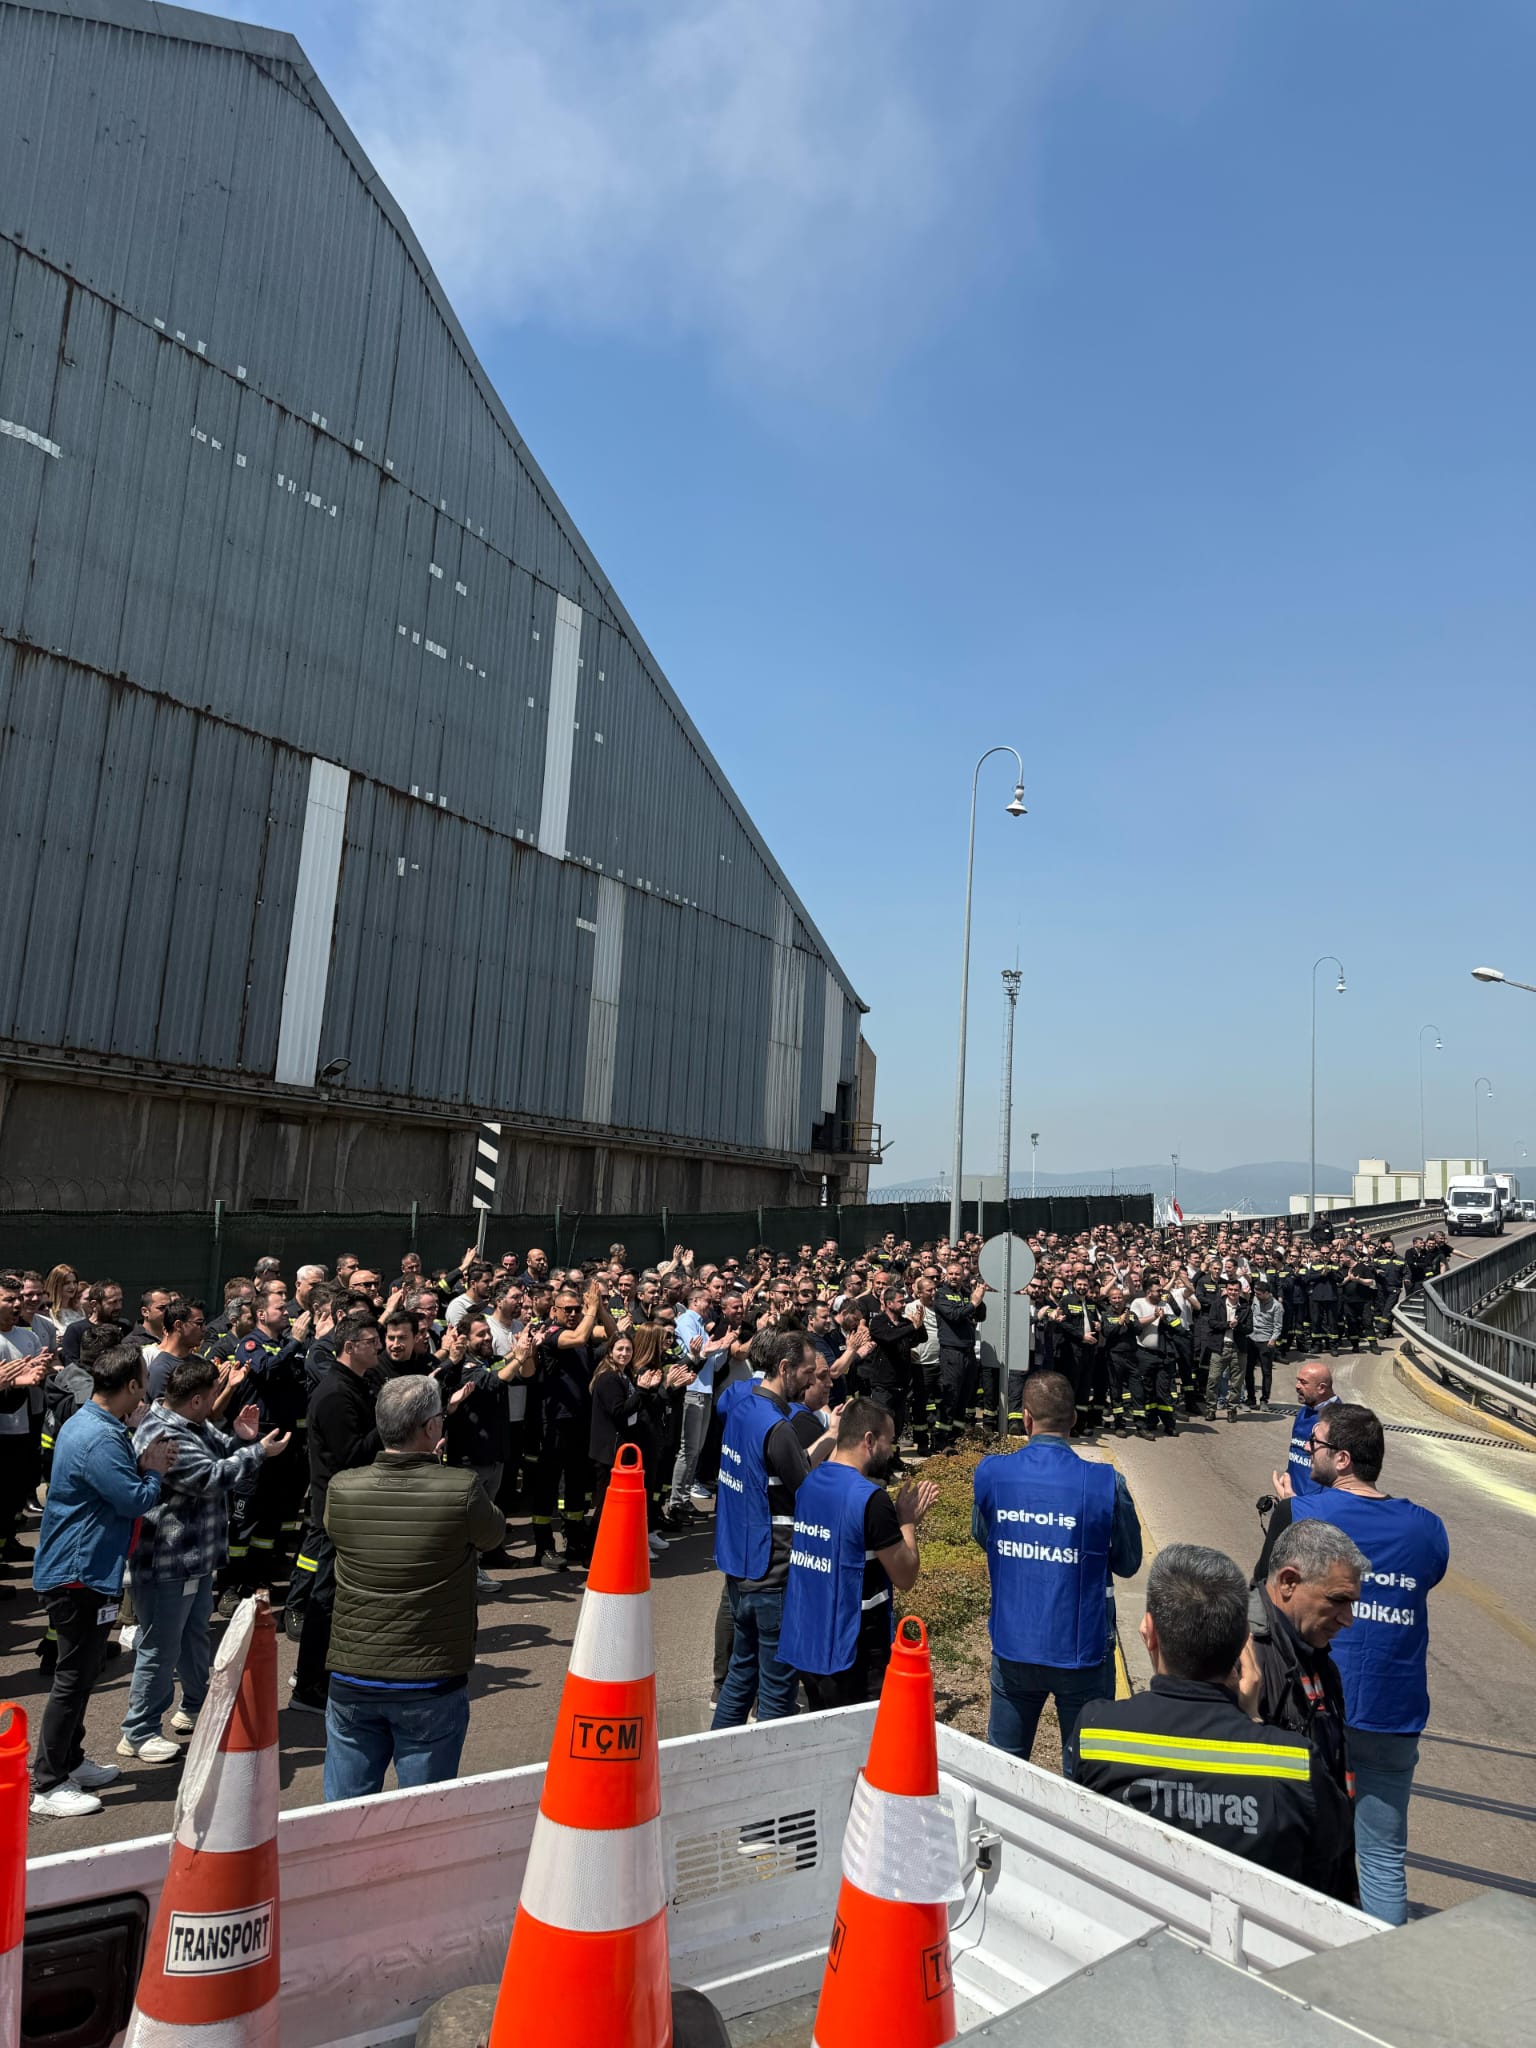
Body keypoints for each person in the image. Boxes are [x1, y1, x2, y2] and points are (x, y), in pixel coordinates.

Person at [1258, 1404, 1449, 1925]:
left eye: (1315, 1445)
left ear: (1341, 1459)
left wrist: (1287, 1513)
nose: (1308, 1452)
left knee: (1299, 1846)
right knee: (1383, 1858)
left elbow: (1271, 1599)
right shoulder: (1426, 1530)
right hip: (1393, 1712)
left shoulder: (1300, 1517)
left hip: (1312, 1708)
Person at [1071, 1544, 1350, 1895]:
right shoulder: (1294, 1764)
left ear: (1149, 1632)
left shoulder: (1097, 1730)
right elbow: (1330, 1852)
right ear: (1241, 1648)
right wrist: (1252, 1720)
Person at [321, 1375, 505, 1801]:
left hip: (353, 1672)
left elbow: (336, 1535)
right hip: (429, 1678)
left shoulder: (343, 1488)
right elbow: (493, 1534)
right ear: (430, 1429)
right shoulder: (460, 1487)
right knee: (421, 1818)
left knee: (343, 1816)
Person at [30, 1344, 178, 1817]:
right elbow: (132, 1499)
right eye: (144, 1381)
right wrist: (153, 1470)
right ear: (133, 1386)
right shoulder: (99, 1436)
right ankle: (48, 1783)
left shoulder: (96, 1426)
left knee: (84, 1671)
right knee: (73, 1678)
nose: (148, 1390)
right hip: (79, 1574)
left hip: (85, 1569)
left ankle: (69, 1762)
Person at [119, 1357, 290, 1762]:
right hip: (168, 1562)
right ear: (197, 1398)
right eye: (216, 1392)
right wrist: (259, 1452)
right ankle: (139, 1730)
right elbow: (210, 1477)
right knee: (159, 1647)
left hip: (194, 1559)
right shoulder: (163, 1435)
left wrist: (239, 1437)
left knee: (194, 1636)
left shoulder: (190, 1424)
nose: (220, 1399)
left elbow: (216, 1452)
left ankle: (196, 1707)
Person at [972, 1371, 1142, 1763]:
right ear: (1075, 1420)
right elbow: (1129, 1562)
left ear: (1026, 1418)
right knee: (1085, 1777)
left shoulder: (992, 1473)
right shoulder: (1105, 1481)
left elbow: (985, 1537)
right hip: (1082, 1649)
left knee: (1005, 1765)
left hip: (1014, 1643)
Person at [712, 1330, 838, 1728]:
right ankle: (767, 1779)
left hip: (739, 1567)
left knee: (738, 1680)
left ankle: (715, 1763)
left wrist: (829, 1436)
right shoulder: (779, 1427)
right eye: (806, 1371)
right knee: (777, 1696)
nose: (810, 1379)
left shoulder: (743, 1404)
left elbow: (791, 1464)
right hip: (775, 1574)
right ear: (784, 1368)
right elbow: (808, 1488)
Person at [779, 1397, 937, 1707]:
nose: (891, 1451)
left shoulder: (810, 1483)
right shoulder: (871, 1500)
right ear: (869, 1440)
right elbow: (905, 1574)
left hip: (808, 1643)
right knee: (859, 1747)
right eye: (889, 1441)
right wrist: (906, 1522)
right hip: (854, 1651)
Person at [1246, 1518, 1367, 1904]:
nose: (1348, 1619)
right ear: (1288, 1582)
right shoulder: (1242, 1659)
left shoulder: (1315, 1658)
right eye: (1338, 1600)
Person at [290, 1315, 386, 1714]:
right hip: (337, 1507)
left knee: (342, 1594)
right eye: (372, 1341)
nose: (379, 1347)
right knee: (326, 1595)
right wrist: (388, 1425)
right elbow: (350, 1454)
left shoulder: (354, 1385)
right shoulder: (334, 1394)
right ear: (351, 1346)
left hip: (352, 1505)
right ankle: (310, 1686)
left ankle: (331, 1673)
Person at [933, 1262, 986, 1451]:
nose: (954, 1276)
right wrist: (973, 1303)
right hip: (951, 1351)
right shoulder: (941, 1294)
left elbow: (981, 1316)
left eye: (958, 1274)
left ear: (963, 1275)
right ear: (947, 1275)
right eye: (951, 1273)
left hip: (968, 1351)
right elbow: (954, 1316)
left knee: (964, 1397)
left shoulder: (965, 1292)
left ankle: (956, 1438)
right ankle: (941, 1440)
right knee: (951, 1396)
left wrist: (979, 1298)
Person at [1273, 1357, 1339, 1500]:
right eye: (1298, 1380)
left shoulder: (1338, 1419)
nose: (1297, 1386)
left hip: (1314, 1506)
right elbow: (1297, 1453)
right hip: (1291, 1499)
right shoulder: (1304, 1411)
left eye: (1303, 1382)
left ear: (1321, 1388)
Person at [1245, 1279, 1283, 1409]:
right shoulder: (1255, 1299)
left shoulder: (1277, 1306)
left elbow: (1278, 1326)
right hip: (1251, 1338)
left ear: (1267, 1293)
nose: (1256, 1296)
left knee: (1266, 1372)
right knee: (1248, 1370)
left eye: (1259, 1294)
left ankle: (1264, 1399)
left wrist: (1273, 1339)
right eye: (1255, 1293)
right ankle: (1250, 1398)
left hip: (1266, 1341)